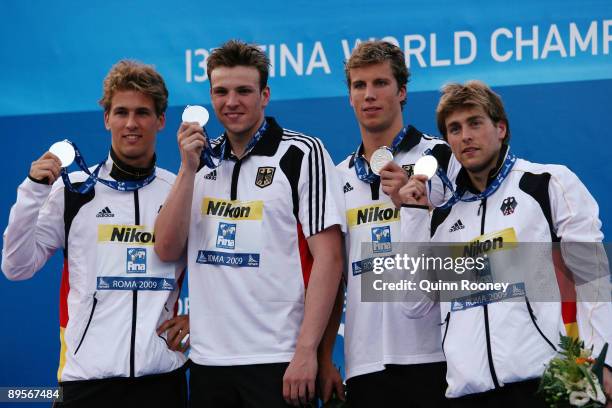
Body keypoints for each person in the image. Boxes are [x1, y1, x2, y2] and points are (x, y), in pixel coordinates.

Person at [154, 39, 345, 407]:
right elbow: (166, 247)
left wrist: (308, 351)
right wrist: (187, 169)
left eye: (244, 90)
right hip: (208, 362)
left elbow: (330, 259)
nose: (232, 102)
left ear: (265, 94)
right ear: (210, 96)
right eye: (221, 91)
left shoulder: (301, 153)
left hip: (279, 360)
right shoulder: (198, 163)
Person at [399, 80, 612, 407]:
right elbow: (413, 305)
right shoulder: (442, 217)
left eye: (475, 122)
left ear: (500, 128)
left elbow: (593, 278)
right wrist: (413, 216)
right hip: (467, 394)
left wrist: (603, 361)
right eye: (454, 129)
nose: (465, 135)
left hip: (542, 386)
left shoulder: (546, 184)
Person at [1, 60, 189, 406]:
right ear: (107, 119)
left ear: (161, 120)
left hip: (163, 382)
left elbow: (219, 271)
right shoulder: (74, 190)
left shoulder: (178, 190)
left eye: (143, 113)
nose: (131, 123)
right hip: (88, 384)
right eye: (121, 112)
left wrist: (199, 319)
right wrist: (31, 192)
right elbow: (16, 267)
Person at [318, 40, 459, 407]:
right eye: (359, 85)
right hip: (363, 362)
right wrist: (323, 356)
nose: (369, 95)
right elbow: (331, 276)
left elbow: (471, 243)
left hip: (435, 354)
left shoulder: (441, 156)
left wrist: (419, 209)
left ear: (402, 91)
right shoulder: (336, 177)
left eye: (380, 83)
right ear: (349, 96)